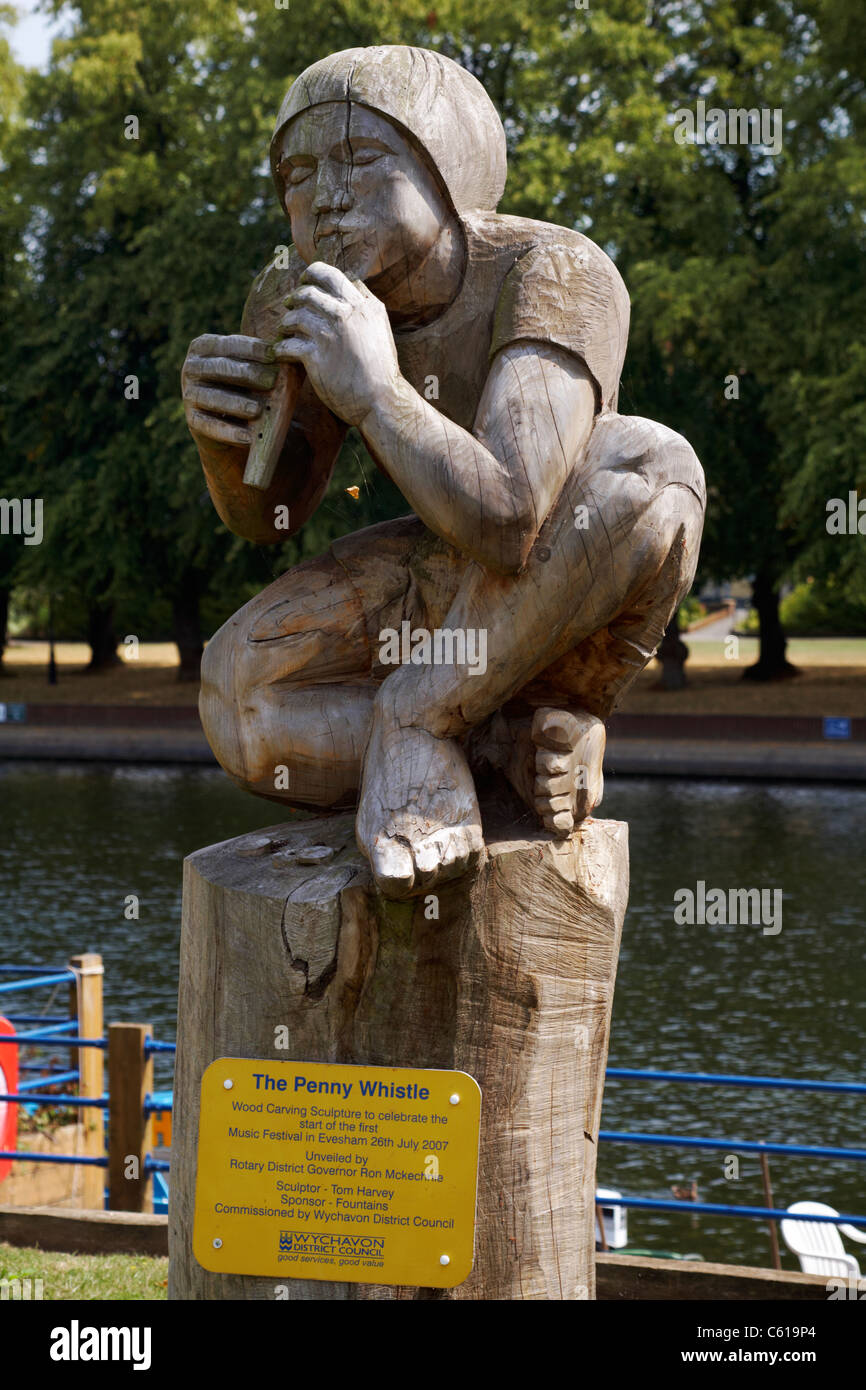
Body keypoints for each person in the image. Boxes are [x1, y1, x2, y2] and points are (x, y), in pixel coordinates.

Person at [182, 45, 705, 899]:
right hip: (439, 575)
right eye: (300, 173)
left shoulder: (554, 272)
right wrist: (224, 442)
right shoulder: (293, 290)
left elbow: (511, 517)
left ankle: (423, 723)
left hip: (555, 588)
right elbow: (268, 516)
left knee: (649, 463)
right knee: (235, 701)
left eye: (361, 157)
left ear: (450, 172)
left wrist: (378, 393)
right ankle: (511, 742)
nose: (328, 196)